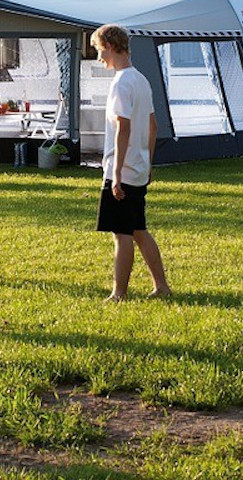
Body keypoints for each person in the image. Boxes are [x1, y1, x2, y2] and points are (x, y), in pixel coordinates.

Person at [91, 24, 171, 302]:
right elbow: (153, 126)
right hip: (138, 169)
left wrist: (116, 174)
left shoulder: (121, 82)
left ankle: (119, 293)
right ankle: (161, 286)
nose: (99, 57)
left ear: (111, 46)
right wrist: (148, 163)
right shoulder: (141, 80)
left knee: (121, 234)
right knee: (138, 230)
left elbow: (122, 128)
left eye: (99, 50)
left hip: (122, 172)